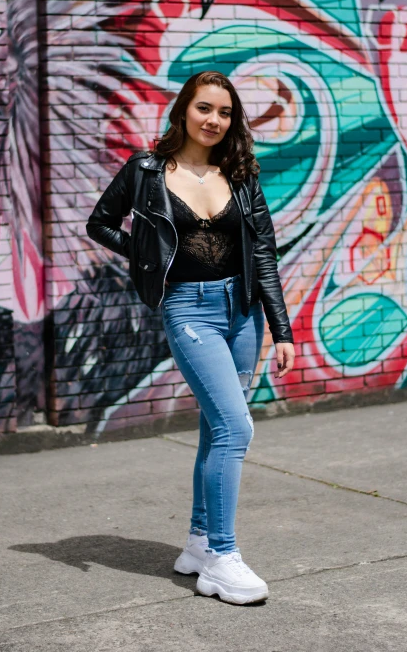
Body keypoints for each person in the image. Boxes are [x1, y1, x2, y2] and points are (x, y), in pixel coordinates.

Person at [87, 71, 295, 605]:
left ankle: (200, 543)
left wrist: (281, 328)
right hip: (188, 310)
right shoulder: (147, 170)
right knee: (235, 428)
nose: (214, 121)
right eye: (205, 108)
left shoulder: (240, 173)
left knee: (215, 427)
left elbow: (265, 254)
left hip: (243, 312)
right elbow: (101, 222)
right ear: (183, 110)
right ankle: (223, 560)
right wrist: (146, 253)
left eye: (224, 113)